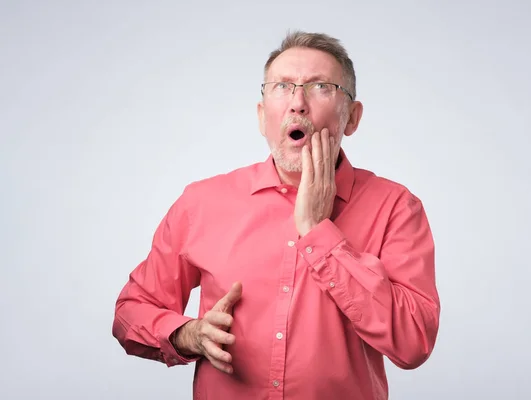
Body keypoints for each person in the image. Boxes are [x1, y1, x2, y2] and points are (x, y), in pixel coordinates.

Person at [112, 30, 441, 400]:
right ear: (261, 116)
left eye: (321, 87)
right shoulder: (200, 203)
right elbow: (131, 311)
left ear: (352, 117)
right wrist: (187, 335)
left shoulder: (396, 207)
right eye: (282, 87)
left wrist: (319, 232)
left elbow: (414, 341)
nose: (297, 103)